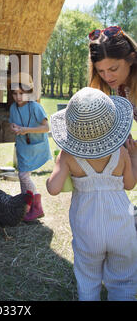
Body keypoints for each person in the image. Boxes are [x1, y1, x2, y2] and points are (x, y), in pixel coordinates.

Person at [47, 87, 137, 301]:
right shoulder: (122, 152)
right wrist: (133, 157)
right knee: (123, 280)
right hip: (121, 227)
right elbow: (130, 184)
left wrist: (60, 162)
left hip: (87, 229)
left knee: (88, 278)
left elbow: (53, 188)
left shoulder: (68, 155)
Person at [9, 73, 52, 221]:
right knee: (23, 177)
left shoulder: (35, 107)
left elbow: (46, 128)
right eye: (15, 93)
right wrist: (14, 127)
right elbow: (13, 123)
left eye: (21, 93)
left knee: (23, 175)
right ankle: (26, 207)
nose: (18, 97)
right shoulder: (13, 108)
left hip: (35, 146)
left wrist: (26, 129)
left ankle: (37, 206)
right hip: (22, 146)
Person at [88, 25, 137, 122]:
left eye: (113, 69)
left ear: (132, 58)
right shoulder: (121, 88)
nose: (107, 77)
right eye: (100, 71)